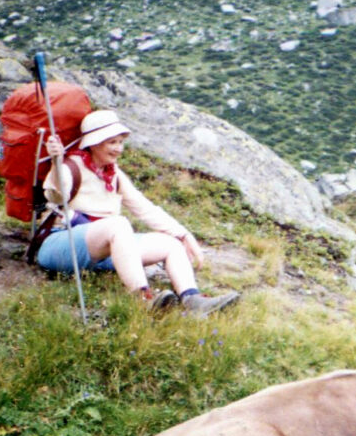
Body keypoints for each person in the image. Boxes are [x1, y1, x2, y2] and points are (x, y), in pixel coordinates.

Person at [37, 109, 239, 316]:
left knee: (170, 244)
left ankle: (192, 300)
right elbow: (55, 196)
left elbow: (145, 209)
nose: (119, 149)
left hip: (104, 250)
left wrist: (184, 234)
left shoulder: (114, 174)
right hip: (61, 245)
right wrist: (56, 162)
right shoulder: (71, 166)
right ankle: (143, 299)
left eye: (120, 142)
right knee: (118, 224)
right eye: (112, 142)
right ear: (94, 143)